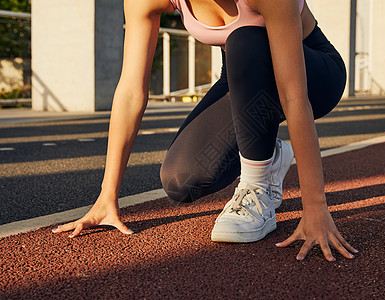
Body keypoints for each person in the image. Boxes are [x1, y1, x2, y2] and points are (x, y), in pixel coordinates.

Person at [53, 0, 358, 262]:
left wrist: (315, 206)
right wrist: (107, 196)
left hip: (313, 73)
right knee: (181, 180)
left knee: (246, 39)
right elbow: (131, 91)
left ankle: (257, 187)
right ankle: (272, 155)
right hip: (243, 79)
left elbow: (294, 96)